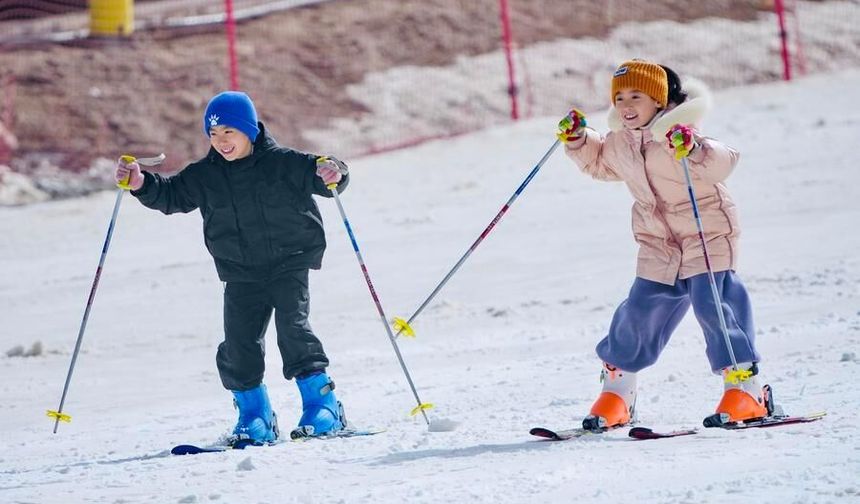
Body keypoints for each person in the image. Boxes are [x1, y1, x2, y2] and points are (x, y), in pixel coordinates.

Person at [115, 91, 350, 443]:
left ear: (249, 129)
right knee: (239, 344)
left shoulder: (283, 162)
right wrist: (140, 184)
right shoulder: (206, 175)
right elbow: (171, 195)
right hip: (240, 270)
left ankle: (323, 406)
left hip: (289, 260)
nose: (221, 142)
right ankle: (255, 415)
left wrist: (334, 171)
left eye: (228, 132)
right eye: (213, 135)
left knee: (293, 329)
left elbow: (326, 176)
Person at [557, 59, 771, 430]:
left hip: (706, 234)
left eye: (636, 96)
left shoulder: (680, 134)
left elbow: (724, 160)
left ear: (658, 100)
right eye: (619, 96)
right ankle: (618, 394)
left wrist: (694, 148)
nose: (626, 104)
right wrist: (579, 139)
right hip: (658, 242)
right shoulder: (621, 143)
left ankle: (746, 391)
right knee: (639, 312)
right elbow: (600, 163)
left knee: (714, 305)